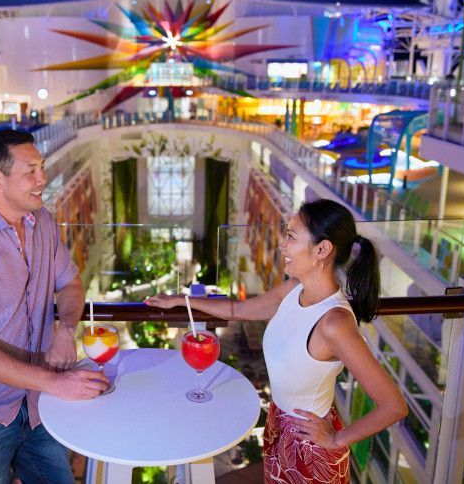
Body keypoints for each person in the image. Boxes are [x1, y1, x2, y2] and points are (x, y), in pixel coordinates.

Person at [146, 199, 407, 484]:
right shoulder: (295, 289)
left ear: (322, 250)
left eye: (292, 237)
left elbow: (393, 405)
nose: (283, 246)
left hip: (311, 452)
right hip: (279, 428)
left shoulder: (334, 323)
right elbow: (237, 310)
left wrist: (336, 439)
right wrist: (179, 300)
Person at [0, 129, 107, 484]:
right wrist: (57, 384)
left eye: (41, 167)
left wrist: (66, 330)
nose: (43, 179)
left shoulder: (43, 222)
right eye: (31, 171)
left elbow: (70, 284)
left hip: (37, 402)